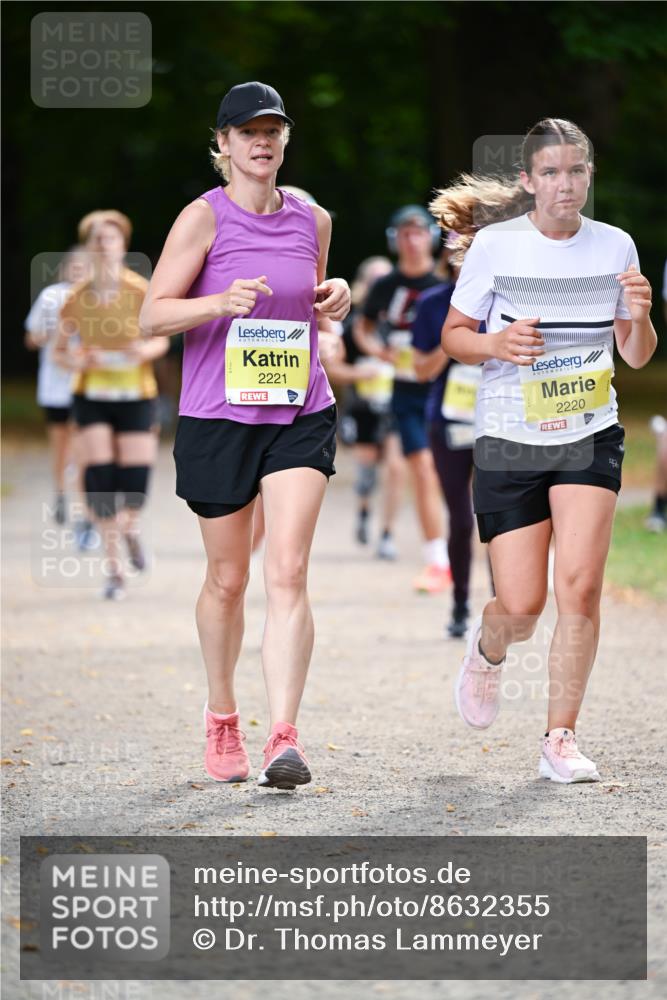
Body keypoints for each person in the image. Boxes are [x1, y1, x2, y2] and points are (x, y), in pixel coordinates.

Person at [138, 81, 350, 790]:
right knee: (228, 579)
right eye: (248, 132)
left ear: (285, 142)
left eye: (273, 131)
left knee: (287, 570)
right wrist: (215, 303)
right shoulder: (203, 218)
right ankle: (222, 714)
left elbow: (309, 299)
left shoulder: (313, 219)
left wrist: (335, 296)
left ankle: (284, 737)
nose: (262, 142)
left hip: (298, 410)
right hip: (218, 417)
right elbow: (152, 315)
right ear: (224, 143)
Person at [435, 117, 656, 783]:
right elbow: (454, 336)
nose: (566, 184)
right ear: (529, 181)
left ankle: (560, 738)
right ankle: (488, 650)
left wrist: (642, 316)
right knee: (522, 607)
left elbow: (635, 355)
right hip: (511, 438)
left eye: (577, 171)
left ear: (589, 176)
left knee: (580, 588)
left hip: (589, 431)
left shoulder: (615, 245)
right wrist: (496, 345)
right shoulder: (496, 246)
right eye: (552, 172)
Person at [54, 210, 169, 599]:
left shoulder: (140, 290)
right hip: (92, 396)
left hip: (136, 395)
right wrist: (78, 361)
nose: (104, 245)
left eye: (111, 238)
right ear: (88, 247)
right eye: (97, 239)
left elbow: (161, 340)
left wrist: (143, 352)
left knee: (134, 483)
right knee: (100, 479)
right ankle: (114, 570)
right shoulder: (76, 297)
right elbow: (59, 352)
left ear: (123, 246)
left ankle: (130, 529)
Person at [355, 206, 451, 589]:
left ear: (431, 237)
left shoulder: (444, 283)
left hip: (447, 389)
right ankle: (438, 559)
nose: (412, 241)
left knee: (462, 475)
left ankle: (476, 546)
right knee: (422, 469)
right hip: (406, 393)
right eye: (405, 234)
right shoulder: (386, 285)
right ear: (395, 240)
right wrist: (378, 352)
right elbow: (362, 328)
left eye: (419, 233)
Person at [412, 233, 484, 637]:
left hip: (498, 418)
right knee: (460, 517)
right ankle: (460, 606)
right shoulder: (432, 303)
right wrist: (455, 338)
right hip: (448, 420)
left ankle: (504, 605)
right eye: (458, 254)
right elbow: (421, 370)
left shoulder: (504, 297)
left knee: (500, 514)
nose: (465, 261)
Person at [325, 255, 407, 554]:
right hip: (363, 407)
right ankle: (363, 511)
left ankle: (387, 534)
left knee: (396, 468)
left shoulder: (403, 321)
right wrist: (360, 374)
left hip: (396, 406)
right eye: (375, 279)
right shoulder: (353, 324)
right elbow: (333, 368)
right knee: (367, 468)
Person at [24, 246, 93, 535]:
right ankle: (61, 493)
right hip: (54, 386)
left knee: (82, 448)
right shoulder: (50, 297)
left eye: (84, 268)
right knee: (61, 446)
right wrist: (48, 337)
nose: (78, 273)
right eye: (74, 268)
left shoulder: (99, 299)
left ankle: (84, 509)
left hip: (87, 386)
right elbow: (31, 337)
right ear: (65, 269)